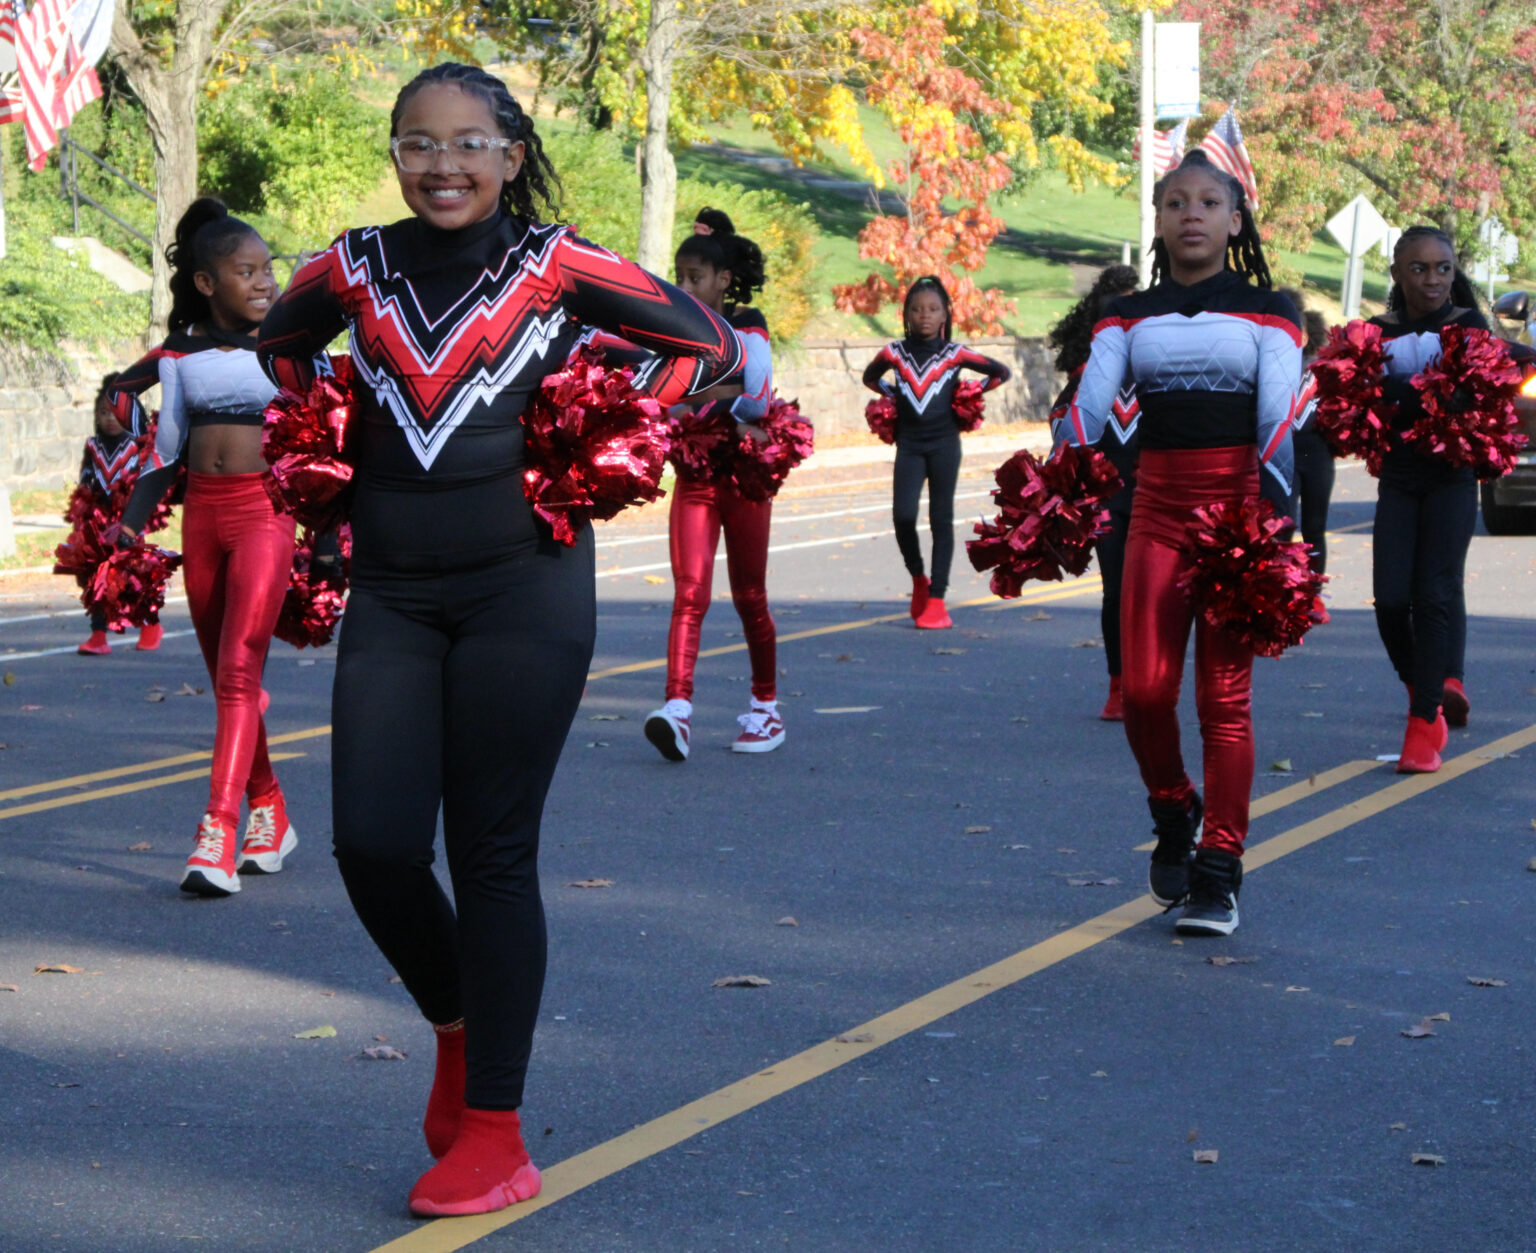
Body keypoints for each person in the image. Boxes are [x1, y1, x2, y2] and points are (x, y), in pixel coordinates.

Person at [255, 62, 747, 1218]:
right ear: (393, 151)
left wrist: (601, 422)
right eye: (418, 143)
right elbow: (283, 350)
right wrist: (332, 423)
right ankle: (456, 1026)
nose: (442, 165)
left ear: (511, 154)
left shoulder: (555, 261)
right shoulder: (349, 266)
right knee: (372, 844)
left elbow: (703, 344)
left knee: (489, 851)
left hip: (523, 582)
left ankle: (496, 1126)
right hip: (393, 587)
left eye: (469, 143)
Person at [1059, 149, 1300, 937]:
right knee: (1147, 691)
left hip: (1235, 516)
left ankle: (1220, 870)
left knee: (1223, 701)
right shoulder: (1126, 316)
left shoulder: (1273, 310)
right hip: (1156, 509)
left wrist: (1271, 521)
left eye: (1207, 202)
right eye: (1174, 202)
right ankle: (1174, 809)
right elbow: (1091, 410)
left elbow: (1276, 420)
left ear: (1236, 220)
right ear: (1158, 222)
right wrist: (1060, 470)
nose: (1190, 213)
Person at [118, 198, 298, 897]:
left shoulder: (289, 352)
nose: (264, 283)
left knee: (237, 673)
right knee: (232, 681)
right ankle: (271, 809)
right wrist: (131, 523)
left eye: (268, 271)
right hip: (203, 522)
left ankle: (218, 830)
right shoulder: (179, 355)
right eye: (246, 272)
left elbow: (324, 445)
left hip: (265, 514)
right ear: (206, 283)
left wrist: (331, 540)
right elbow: (165, 453)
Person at [645, 225, 783, 760]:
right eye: (679, 277)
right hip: (696, 475)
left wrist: (700, 394)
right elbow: (661, 399)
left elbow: (757, 397)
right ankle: (677, 711)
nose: (684, 286)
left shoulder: (749, 325)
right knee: (689, 593)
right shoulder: (675, 328)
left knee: (750, 596)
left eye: (694, 277)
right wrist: (717, 394)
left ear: (723, 280)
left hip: (744, 475)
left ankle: (766, 708)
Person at [1366, 226, 1487, 771]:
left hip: (1452, 478)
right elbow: (1354, 395)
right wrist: (1426, 392)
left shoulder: (1469, 326)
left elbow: (1470, 395)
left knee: (1435, 595)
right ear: (1396, 272)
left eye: (1443, 268)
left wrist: (1398, 393)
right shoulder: (1374, 331)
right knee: (1391, 600)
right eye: (1419, 268)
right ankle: (1426, 689)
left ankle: (1423, 721)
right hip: (1398, 477)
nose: (1433, 279)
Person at [862, 277, 1011, 629]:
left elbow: (1000, 372)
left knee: (940, 519)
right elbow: (871, 379)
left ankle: (937, 599)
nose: (924, 316)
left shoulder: (955, 354)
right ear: (906, 315)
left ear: (945, 314)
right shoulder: (893, 353)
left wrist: (971, 391)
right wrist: (891, 396)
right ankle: (918, 578)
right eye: (916, 309)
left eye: (932, 309)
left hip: (944, 443)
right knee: (902, 516)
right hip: (910, 444)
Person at [1047, 265, 1140, 719]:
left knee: (1159, 594)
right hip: (1108, 500)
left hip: (1157, 495)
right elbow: (1060, 434)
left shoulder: (1159, 374)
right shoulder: (1084, 383)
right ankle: (1119, 684)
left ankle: (1156, 678)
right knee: (1116, 592)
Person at [74, 375, 163, 656]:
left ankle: (151, 625)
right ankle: (98, 635)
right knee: (98, 577)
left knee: (136, 576)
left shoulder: (138, 445)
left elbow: (149, 481)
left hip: (131, 522)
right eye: (103, 413)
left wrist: (137, 514)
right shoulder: (92, 446)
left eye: (115, 413)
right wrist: (83, 514)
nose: (109, 419)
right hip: (100, 522)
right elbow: (85, 482)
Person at [1280, 291, 1334, 622]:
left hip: (1317, 453)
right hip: (1281, 454)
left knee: (1315, 526)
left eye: (1295, 331)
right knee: (1282, 525)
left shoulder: (1324, 369)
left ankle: (1312, 596)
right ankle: (1280, 592)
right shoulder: (1264, 368)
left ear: (1306, 333)